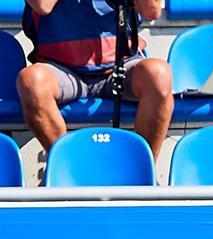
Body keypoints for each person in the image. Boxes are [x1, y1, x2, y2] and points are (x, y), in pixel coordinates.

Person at [18, 0, 174, 158]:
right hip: (60, 68)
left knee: (158, 75)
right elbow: (42, 6)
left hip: (120, 64)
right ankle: (65, 167)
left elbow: (152, 11)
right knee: (32, 81)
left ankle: (143, 170)